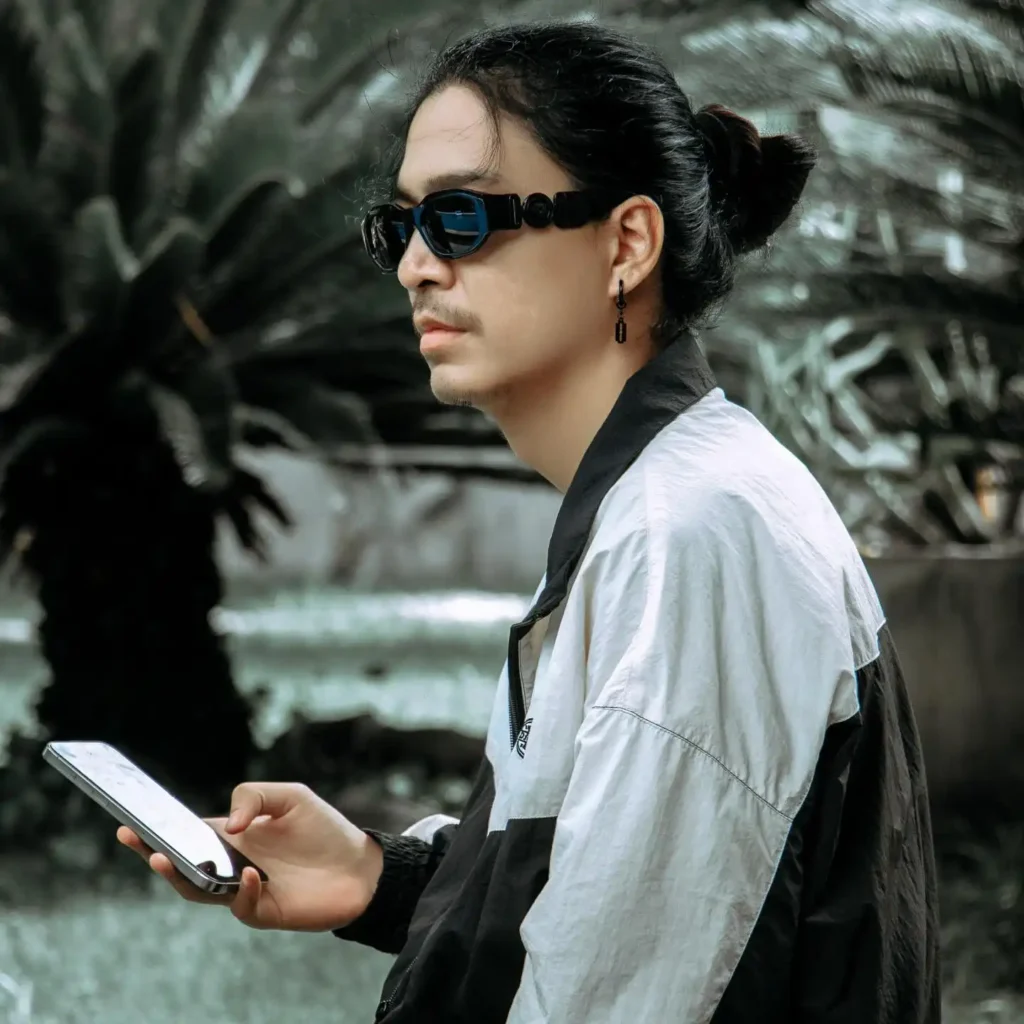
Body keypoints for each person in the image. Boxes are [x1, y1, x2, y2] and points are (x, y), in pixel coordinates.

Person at [118, 19, 942, 1023]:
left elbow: (629, 986)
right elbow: (612, 890)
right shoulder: (662, 499)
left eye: (460, 218)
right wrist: (382, 877)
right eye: (399, 228)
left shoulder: (689, 535)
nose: (415, 266)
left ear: (626, 244)